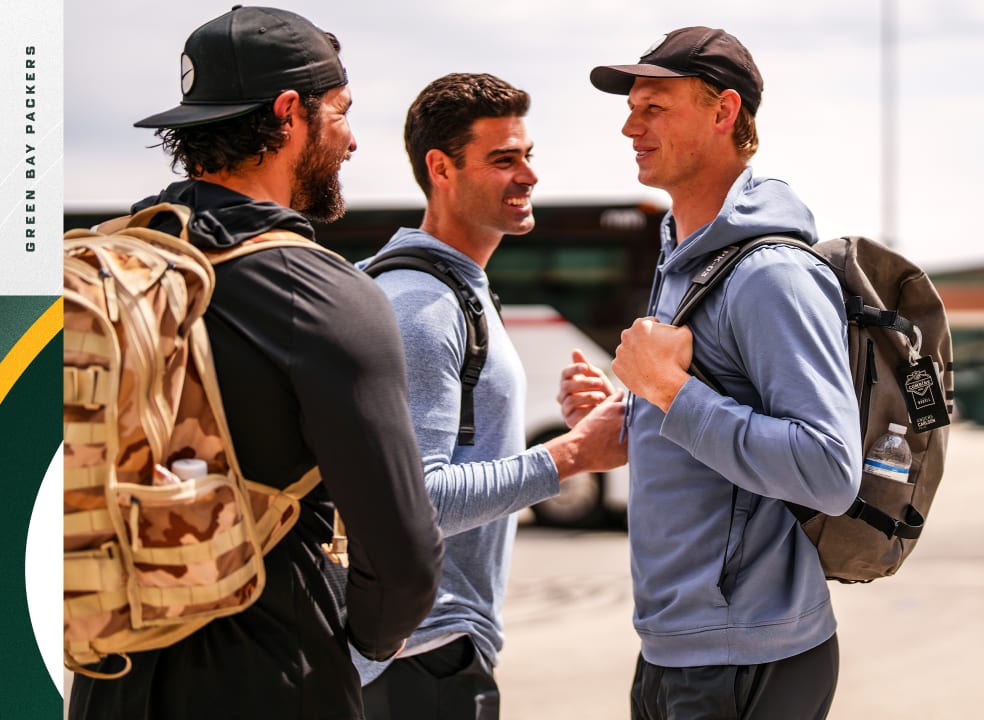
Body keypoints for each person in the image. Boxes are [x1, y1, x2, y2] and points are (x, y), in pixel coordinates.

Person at [68, 7, 445, 719]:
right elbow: (402, 560)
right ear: (288, 114)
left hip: (107, 675)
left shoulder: (111, 267)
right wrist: (366, 639)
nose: (353, 139)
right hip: (273, 676)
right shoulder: (322, 293)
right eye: (340, 113)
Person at [560, 26, 862, 719]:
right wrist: (630, 406)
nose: (629, 126)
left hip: (743, 652)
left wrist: (668, 391)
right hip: (677, 647)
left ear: (724, 111)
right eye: (630, 107)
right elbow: (705, 425)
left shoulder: (771, 274)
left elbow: (829, 471)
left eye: (653, 107)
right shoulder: (685, 259)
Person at [353, 73, 628, 719]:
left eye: (528, 155)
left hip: (428, 648)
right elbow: (417, 502)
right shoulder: (423, 306)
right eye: (503, 160)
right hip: (422, 655)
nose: (528, 176)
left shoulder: (454, 288)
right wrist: (572, 456)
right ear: (441, 168)